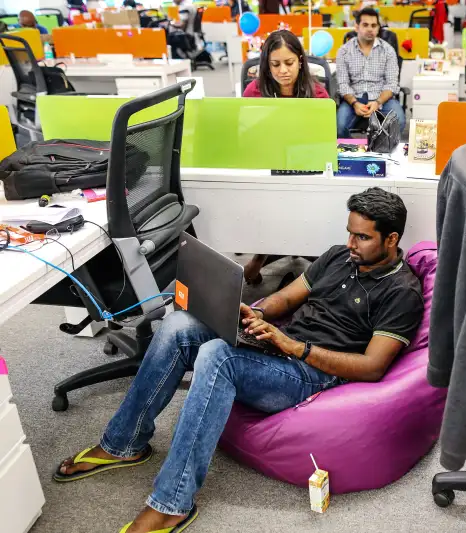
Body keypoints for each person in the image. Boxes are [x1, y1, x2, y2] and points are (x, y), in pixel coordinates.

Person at [54, 187, 424, 533]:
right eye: (350, 233)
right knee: (180, 322)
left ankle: (172, 502)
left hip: (312, 373)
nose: (350, 244)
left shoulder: (401, 291)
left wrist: (296, 348)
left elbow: (373, 367)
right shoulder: (337, 257)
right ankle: (124, 443)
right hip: (279, 346)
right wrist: (258, 314)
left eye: (362, 237)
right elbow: (290, 298)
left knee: (217, 357)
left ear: (391, 239)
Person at [242, 30, 329, 284]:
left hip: (305, 166)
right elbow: (244, 134)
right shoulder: (254, 91)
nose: (283, 71)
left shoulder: (317, 93)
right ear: (266, 66)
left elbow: (322, 139)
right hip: (264, 164)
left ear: (300, 61)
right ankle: (262, 253)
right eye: (275, 64)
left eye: (289, 63)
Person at [335, 7, 405, 138]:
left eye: (374, 25)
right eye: (365, 25)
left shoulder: (388, 50)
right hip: (354, 99)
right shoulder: (344, 51)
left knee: (399, 121)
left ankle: (382, 149)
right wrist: (355, 103)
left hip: (382, 98)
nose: (370, 29)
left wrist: (378, 102)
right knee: (339, 126)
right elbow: (343, 84)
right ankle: (353, 153)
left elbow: (391, 83)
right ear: (357, 27)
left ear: (378, 28)